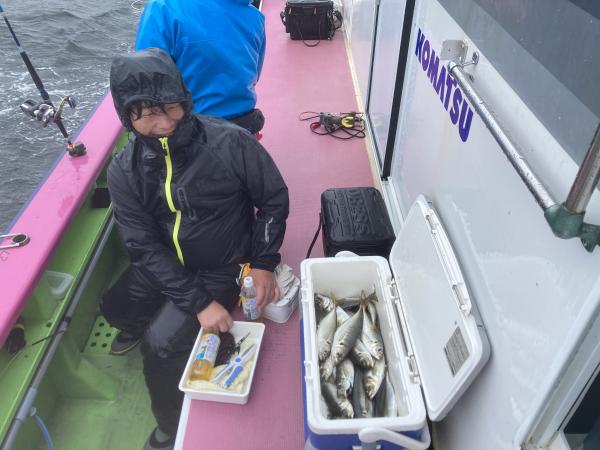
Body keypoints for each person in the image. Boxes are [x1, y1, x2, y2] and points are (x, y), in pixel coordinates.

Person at [101, 48, 288, 450]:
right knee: (114, 308)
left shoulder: (231, 142)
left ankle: (169, 428)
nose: (164, 123)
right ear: (127, 116)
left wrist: (263, 262)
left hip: (224, 265)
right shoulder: (123, 170)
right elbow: (141, 245)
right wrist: (198, 303)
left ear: (184, 99)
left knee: (161, 344)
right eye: (147, 113)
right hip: (164, 261)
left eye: (170, 107)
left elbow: (273, 199)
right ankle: (153, 315)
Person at [135, 0, 266, 134]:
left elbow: (144, 81)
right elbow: (255, 75)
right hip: (243, 131)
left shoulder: (162, 8)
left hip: (190, 134)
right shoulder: (256, 17)